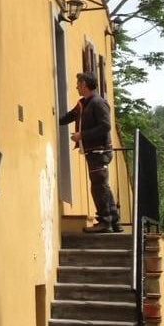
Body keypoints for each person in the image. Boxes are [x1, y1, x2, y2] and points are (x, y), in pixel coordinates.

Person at [60, 71, 123, 233]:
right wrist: (50, 117)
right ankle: (114, 221)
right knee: (102, 185)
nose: (76, 87)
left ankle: (105, 222)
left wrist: (82, 135)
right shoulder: (83, 103)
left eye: (78, 84)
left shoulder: (98, 102)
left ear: (84, 85)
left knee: (98, 187)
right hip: (94, 151)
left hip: (100, 152)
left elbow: (105, 126)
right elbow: (69, 116)